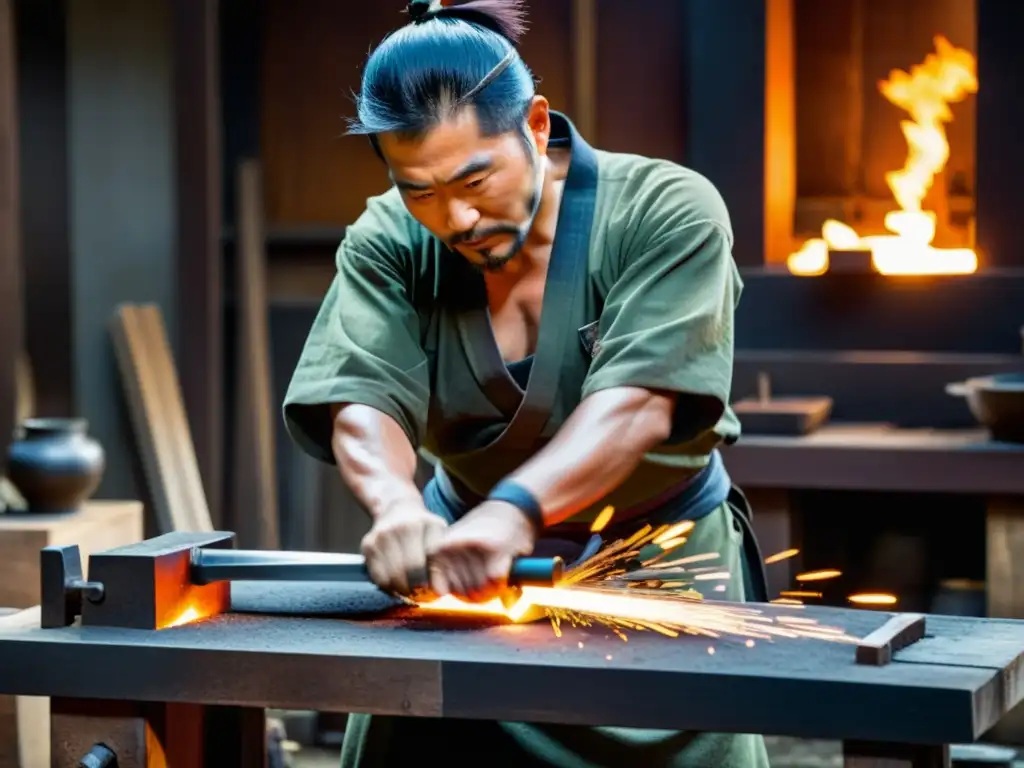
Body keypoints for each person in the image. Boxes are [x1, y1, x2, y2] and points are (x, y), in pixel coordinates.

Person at [283, 1, 770, 765]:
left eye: (476, 177)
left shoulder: (665, 211)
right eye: (421, 190)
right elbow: (358, 392)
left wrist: (516, 512)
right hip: (462, 579)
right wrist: (395, 505)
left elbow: (639, 403)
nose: (457, 216)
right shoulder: (390, 238)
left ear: (536, 125)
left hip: (653, 574)